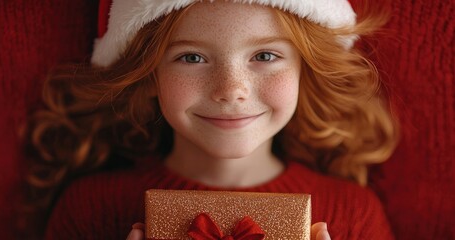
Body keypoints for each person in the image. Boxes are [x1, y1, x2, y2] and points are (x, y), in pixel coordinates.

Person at [24, 0, 398, 239]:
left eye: (265, 56)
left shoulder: (355, 216)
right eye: (192, 58)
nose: (231, 89)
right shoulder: (88, 210)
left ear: (306, 69)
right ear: (150, 74)